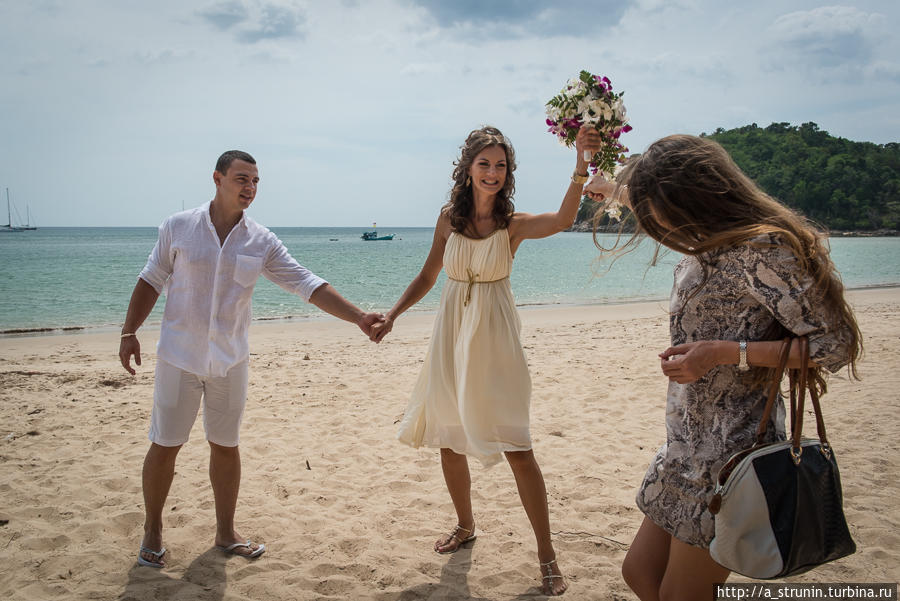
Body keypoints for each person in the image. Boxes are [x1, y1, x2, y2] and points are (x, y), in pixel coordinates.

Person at [585, 134, 863, 600]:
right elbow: (642, 194)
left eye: (662, 209)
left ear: (692, 198)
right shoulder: (707, 241)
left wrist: (721, 352)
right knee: (639, 574)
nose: (657, 224)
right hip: (684, 445)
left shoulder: (763, 249)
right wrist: (611, 187)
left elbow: (835, 345)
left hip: (730, 452)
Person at [119, 150, 383, 569]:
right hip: (179, 357)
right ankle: (152, 531)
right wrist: (129, 331)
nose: (250, 187)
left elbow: (306, 283)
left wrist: (358, 318)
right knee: (165, 444)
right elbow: (151, 279)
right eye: (242, 178)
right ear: (217, 178)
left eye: (256, 181)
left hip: (230, 361)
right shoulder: (179, 226)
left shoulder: (260, 240)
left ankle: (226, 532)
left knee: (226, 445)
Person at [370, 125, 601, 596]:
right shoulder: (447, 220)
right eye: (484, 164)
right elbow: (428, 274)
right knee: (449, 439)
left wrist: (580, 165)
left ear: (507, 173)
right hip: (451, 335)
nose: (492, 173)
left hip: (495, 341)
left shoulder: (511, 226)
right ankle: (465, 524)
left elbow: (561, 219)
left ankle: (547, 554)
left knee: (518, 446)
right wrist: (393, 314)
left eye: (500, 165)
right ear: (467, 169)